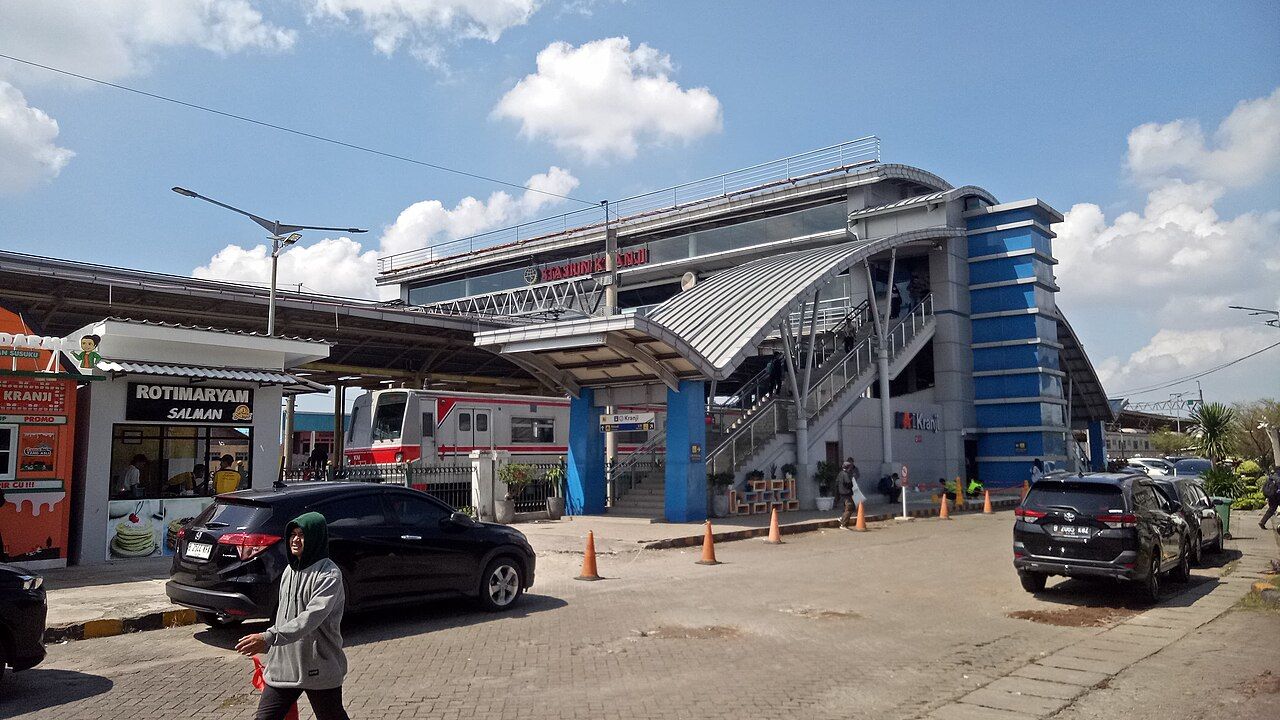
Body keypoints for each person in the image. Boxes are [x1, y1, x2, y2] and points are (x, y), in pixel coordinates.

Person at [236, 512, 349, 720]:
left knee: (332, 716)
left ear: (315, 538)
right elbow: (283, 616)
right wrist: (271, 649)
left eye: (302, 535)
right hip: (283, 667)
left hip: (319, 666)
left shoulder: (329, 575)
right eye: (293, 534)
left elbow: (310, 619)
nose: (295, 540)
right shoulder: (289, 569)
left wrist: (268, 637)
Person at [837, 458, 865, 529]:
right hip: (846, 493)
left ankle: (842, 519)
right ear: (848, 468)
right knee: (850, 508)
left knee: (848, 507)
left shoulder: (840, 473)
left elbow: (837, 482)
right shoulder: (846, 474)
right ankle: (843, 523)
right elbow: (849, 483)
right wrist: (851, 486)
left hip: (842, 493)